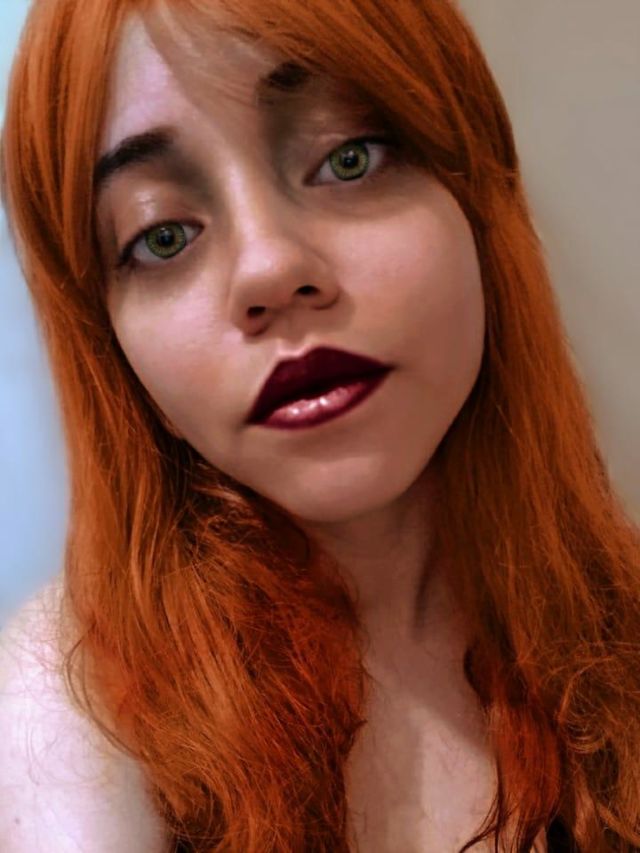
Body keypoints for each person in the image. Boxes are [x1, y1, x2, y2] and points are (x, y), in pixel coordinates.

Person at [1, 0, 639, 850]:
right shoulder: (70, 717)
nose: (269, 268)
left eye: (347, 157)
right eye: (162, 235)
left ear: (477, 204)